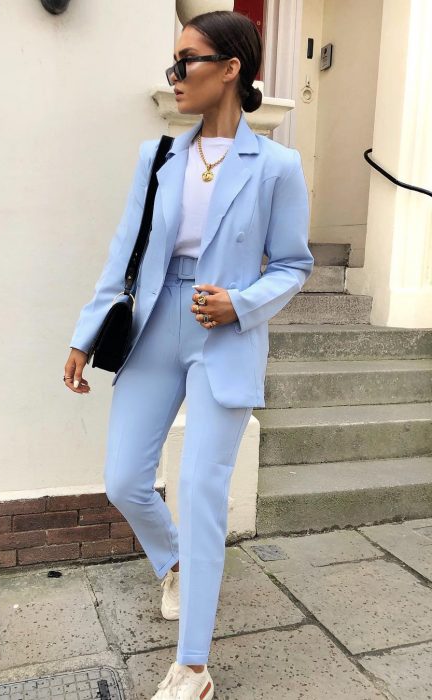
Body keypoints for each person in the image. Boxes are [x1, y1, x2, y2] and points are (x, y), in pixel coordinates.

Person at [64, 10, 314, 700]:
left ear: (231, 69)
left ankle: (193, 668)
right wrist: (86, 334)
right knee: (124, 479)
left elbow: (294, 265)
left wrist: (243, 302)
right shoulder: (158, 157)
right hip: (153, 325)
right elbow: (124, 253)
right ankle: (175, 563)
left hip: (224, 332)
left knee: (202, 491)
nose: (174, 76)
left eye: (187, 61)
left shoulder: (277, 167)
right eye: (173, 63)